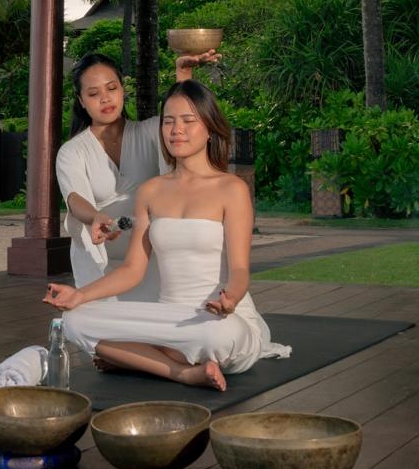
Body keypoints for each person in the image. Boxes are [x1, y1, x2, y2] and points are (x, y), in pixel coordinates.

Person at [44, 80, 291, 390]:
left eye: (188, 121)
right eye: (169, 121)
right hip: (168, 317)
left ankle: (142, 355)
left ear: (210, 128)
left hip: (219, 322)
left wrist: (231, 299)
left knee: (214, 336)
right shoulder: (151, 190)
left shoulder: (232, 189)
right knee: (75, 322)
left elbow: (240, 269)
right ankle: (182, 371)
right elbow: (133, 270)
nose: (177, 130)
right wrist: (80, 295)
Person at [55, 49, 219, 299]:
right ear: (81, 100)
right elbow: (75, 199)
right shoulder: (72, 151)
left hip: (152, 259)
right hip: (99, 262)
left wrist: (183, 74)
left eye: (111, 88)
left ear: (122, 89)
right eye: (93, 93)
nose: (105, 99)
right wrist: (96, 216)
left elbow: (182, 117)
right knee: (100, 328)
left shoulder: (152, 131)